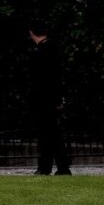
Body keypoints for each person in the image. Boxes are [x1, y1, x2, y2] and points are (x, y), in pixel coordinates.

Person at [27, 26, 71, 176]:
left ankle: (45, 167)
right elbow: (57, 77)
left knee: (46, 136)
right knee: (55, 135)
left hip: (43, 100)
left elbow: (41, 80)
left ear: (32, 33)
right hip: (53, 98)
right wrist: (59, 98)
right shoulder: (54, 49)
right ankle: (62, 167)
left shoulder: (39, 53)